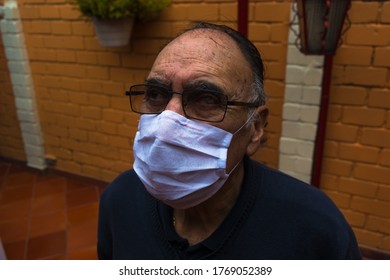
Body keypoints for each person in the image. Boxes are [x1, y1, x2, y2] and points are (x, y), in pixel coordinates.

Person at [97, 21, 362, 260]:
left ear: (255, 128)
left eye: (206, 99)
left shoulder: (315, 229)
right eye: (156, 94)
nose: (168, 120)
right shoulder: (118, 201)